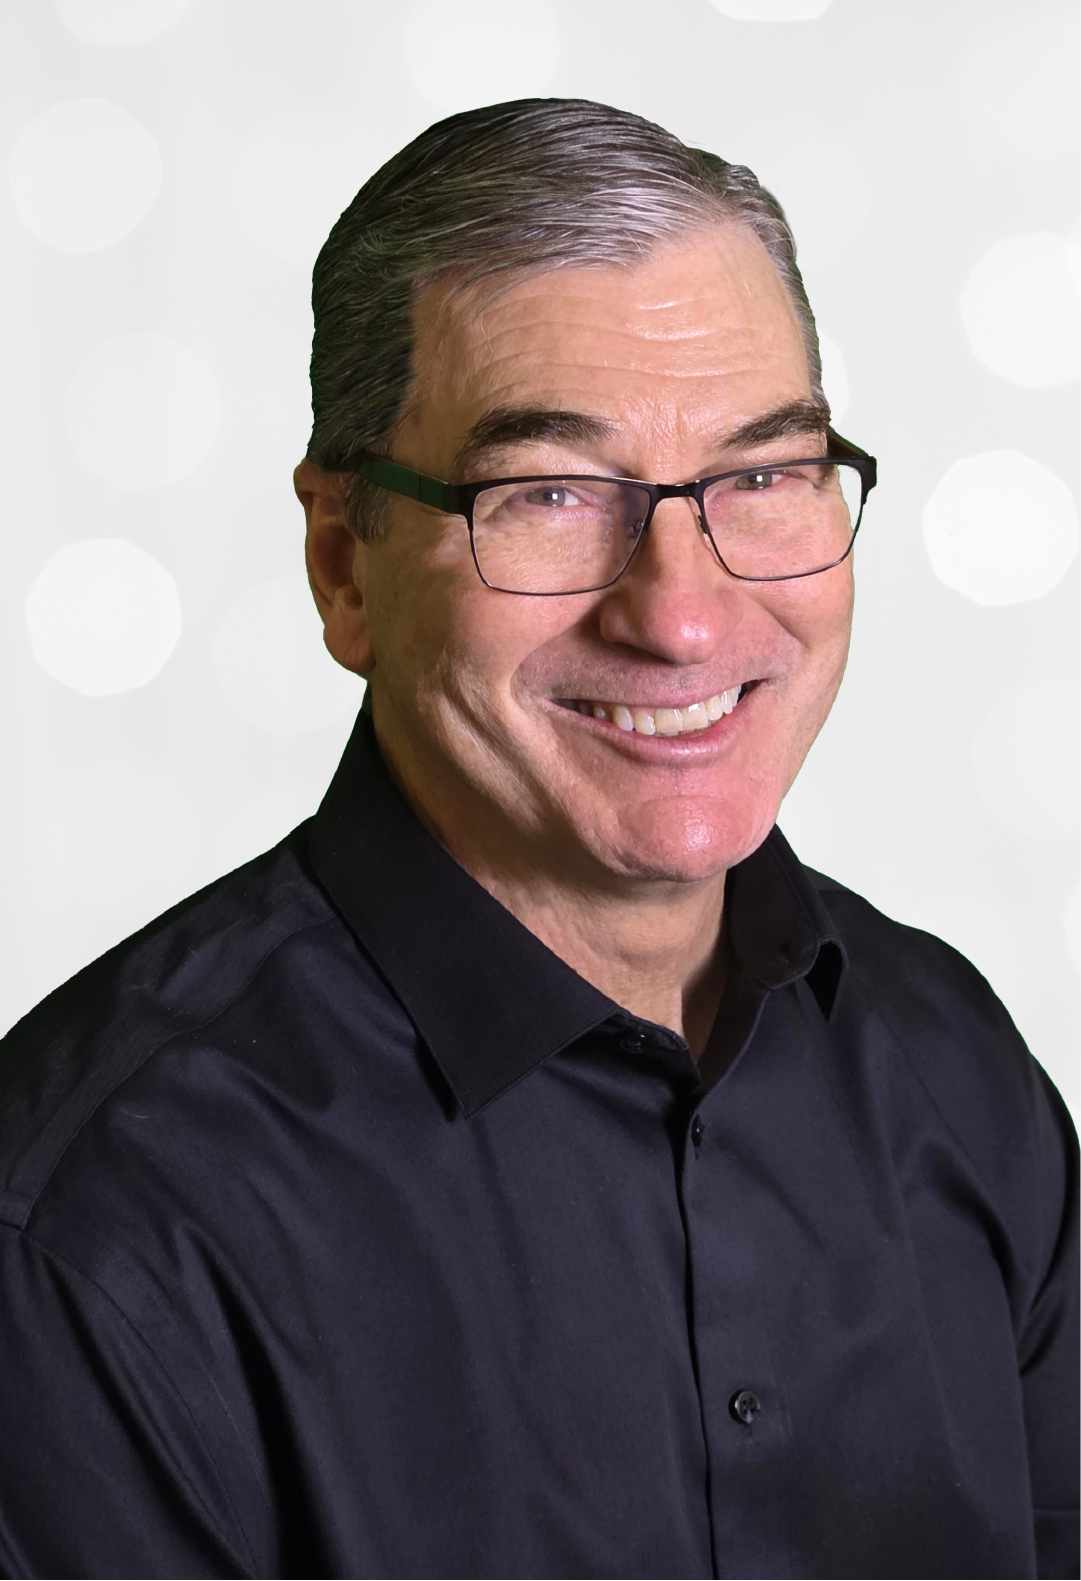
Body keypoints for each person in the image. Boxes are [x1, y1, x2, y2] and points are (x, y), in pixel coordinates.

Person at [0, 97, 1076, 1581]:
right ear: (344, 568)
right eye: (551, 494)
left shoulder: (955, 1068)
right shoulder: (89, 1228)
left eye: (763, 474)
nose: (683, 614)